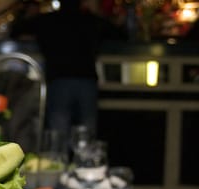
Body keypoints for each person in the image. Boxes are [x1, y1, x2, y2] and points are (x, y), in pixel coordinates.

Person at [10, 0, 127, 145]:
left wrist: (26, 11)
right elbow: (122, 35)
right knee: (86, 136)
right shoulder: (91, 20)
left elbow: (14, 31)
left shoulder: (47, 20)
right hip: (86, 81)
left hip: (59, 81)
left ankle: (62, 164)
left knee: (59, 137)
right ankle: (85, 165)